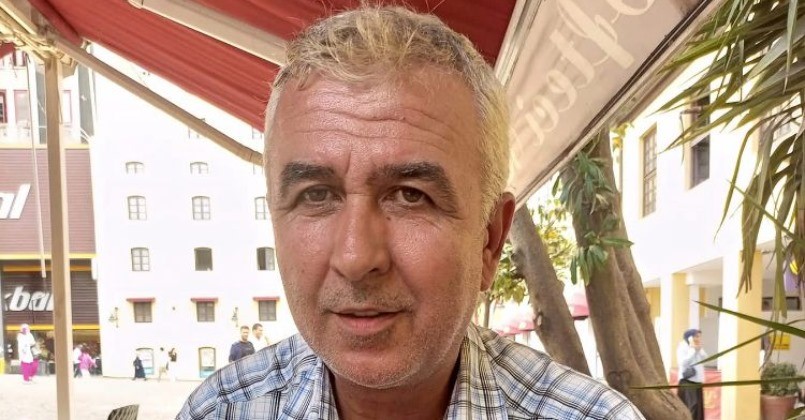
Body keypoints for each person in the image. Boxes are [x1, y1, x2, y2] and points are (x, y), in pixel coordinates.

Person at [178, 6, 644, 419]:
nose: (356, 258)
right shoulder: (219, 411)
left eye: (409, 196)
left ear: (489, 240)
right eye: (316, 195)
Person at [677, 328, 707, 420]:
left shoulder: (697, 347)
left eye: (699, 337)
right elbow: (683, 363)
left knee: (698, 407)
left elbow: (705, 357)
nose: (698, 339)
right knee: (691, 405)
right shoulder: (683, 347)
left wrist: (699, 349)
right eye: (696, 336)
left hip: (697, 381)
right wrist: (692, 349)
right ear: (690, 337)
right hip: (688, 381)